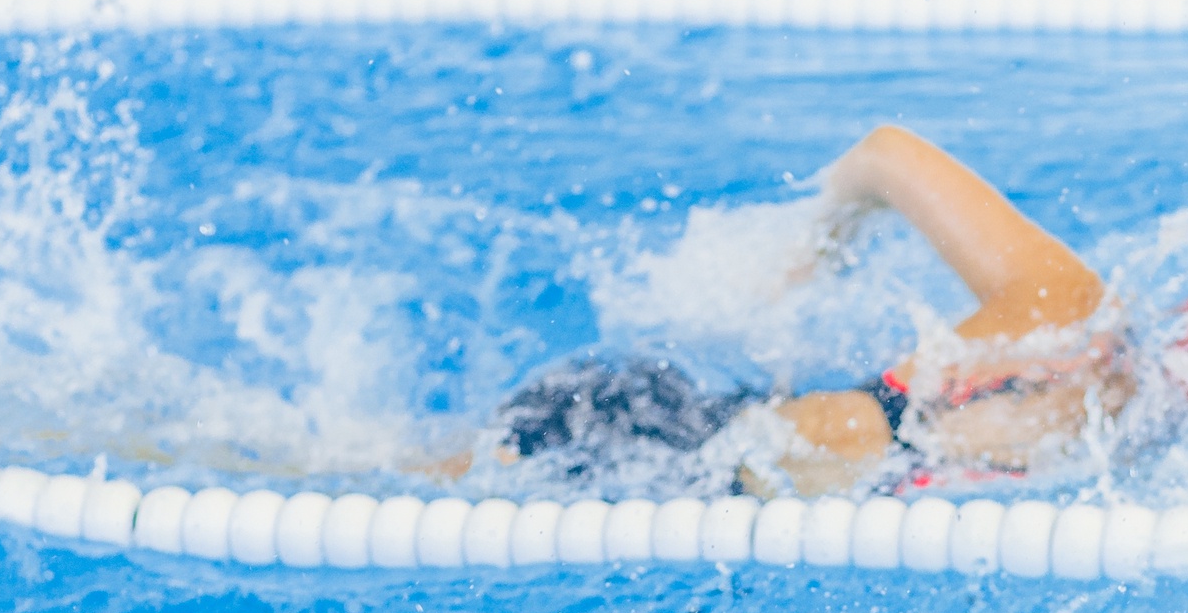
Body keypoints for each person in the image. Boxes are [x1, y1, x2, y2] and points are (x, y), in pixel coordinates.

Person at [477, 125, 1136, 496]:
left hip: (720, 431)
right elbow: (886, 154)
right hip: (634, 436)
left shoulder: (1103, 404)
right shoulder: (1065, 317)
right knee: (402, 467)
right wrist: (805, 264)